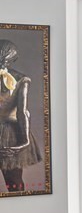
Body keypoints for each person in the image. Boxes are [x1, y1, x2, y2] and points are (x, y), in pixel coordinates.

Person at [0, 39, 43, 192]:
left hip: (10, 133)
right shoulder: (20, 78)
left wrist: (24, 140)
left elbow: (22, 112)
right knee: (15, 183)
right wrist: (24, 140)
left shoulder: (19, 79)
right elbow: (22, 112)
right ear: (11, 59)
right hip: (11, 132)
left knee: (14, 182)